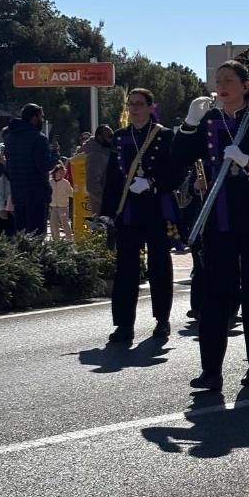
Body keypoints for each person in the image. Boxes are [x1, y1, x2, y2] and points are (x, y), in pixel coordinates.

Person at [172, 61, 249, 389]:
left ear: (245, 84)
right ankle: (211, 370)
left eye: (229, 80)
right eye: (218, 80)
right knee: (216, 294)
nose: (221, 85)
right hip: (218, 217)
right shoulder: (208, 119)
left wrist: (248, 161)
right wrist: (189, 124)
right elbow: (178, 158)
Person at [102, 88, 180, 343]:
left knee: (159, 265)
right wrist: (106, 213)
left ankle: (162, 320)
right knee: (126, 269)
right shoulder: (120, 136)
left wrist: (152, 183)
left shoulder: (164, 135)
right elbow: (112, 178)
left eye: (138, 104)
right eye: (130, 104)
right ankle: (124, 324)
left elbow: (177, 173)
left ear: (150, 107)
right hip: (128, 211)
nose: (134, 108)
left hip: (155, 209)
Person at [3, 103, 56, 234]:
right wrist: (55, 155)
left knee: (21, 236)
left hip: (18, 194)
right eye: (41, 117)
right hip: (37, 195)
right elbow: (43, 165)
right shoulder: (39, 138)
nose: (42, 120)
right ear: (34, 118)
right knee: (36, 236)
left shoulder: (10, 138)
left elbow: (8, 169)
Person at [82, 125, 114, 215]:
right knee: (100, 228)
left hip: (106, 205)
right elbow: (92, 184)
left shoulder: (107, 152)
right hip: (101, 208)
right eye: (109, 136)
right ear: (100, 138)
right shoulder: (95, 156)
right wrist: (107, 200)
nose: (112, 138)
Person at [49, 163, 74, 240]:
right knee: (53, 223)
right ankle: (56, 240)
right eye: (60, 172)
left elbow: (71, 193)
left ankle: (69, 239)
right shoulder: (50, 182)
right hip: (53, 206)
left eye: (63, 173)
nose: (62, 174)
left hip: (63, 206)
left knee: (64, 223)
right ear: (55, 172)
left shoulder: (65, 182)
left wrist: (75, 193)